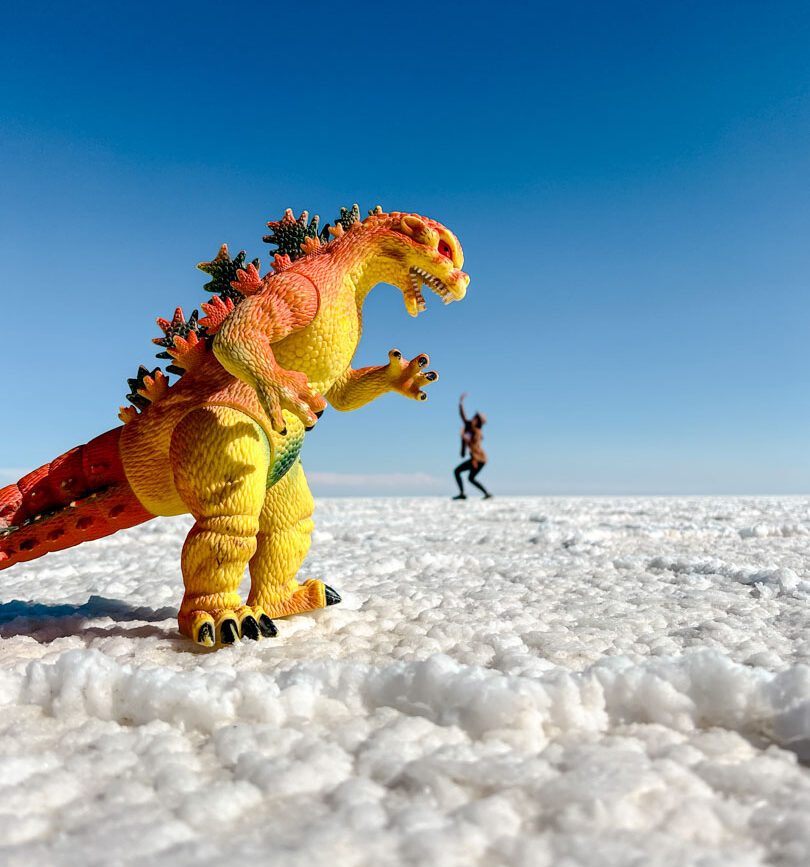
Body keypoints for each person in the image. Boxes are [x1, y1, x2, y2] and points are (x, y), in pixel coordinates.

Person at [453, 393, 492, 499]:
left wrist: (474, 459)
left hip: (479, 458)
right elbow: (463, 417)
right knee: (470, 478)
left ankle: (463, 494)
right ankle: (486, 494)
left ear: (479, 422)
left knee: (457, 472)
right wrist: (461, 403)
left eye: (476, 418)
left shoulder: (476, 432)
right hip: (480, 458)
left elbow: (474, 446)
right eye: (474, 417)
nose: (473, 418)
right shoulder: (470, 427)